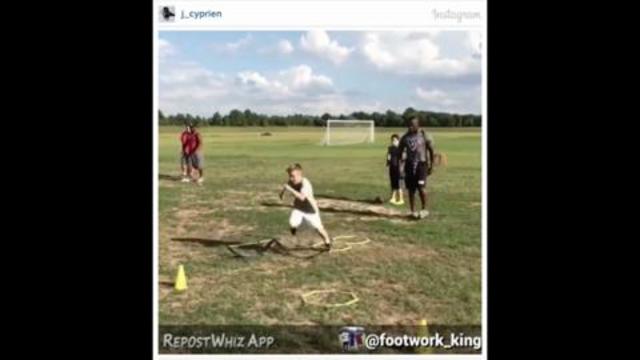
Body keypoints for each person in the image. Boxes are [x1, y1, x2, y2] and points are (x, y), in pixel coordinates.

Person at [279, 163, 332, 249]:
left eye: (293, 176)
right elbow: (287, 185)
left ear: (300, 174)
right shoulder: (292, 181)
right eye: (289, 176)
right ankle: (294, 228)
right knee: (292, 222)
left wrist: (289, 189)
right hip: (298, 208)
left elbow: (302, 197)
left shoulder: (305, 184)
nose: (291, 178)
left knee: (318, 228)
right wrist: (281, 193)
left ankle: (327, 242)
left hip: (310, 209)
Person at [398, 118, 434, 219]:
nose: (410, 127)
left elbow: (431, 150)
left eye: (412, 125)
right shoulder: (405, 138)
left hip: (421, 165)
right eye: (409, 125)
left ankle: (424, 209)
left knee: (421, 188)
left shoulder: (424, 136)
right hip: (409, 166)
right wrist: (400, 166)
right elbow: (400, 152)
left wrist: (431, 165)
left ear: (418, 125)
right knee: (411, 190)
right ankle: (412, 211)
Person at [386, 134, 405, 205]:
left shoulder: (400, 149)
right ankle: (393, 198)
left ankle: (401, 199)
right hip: (392, 167)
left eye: (395, 140)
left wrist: (401, 168)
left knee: (399, 184)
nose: (393, 142)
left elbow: (403, 159)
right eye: (392, 140)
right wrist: (388, 162)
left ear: (398, 141)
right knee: (393, 183)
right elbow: (389, 156)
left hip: (399, 168)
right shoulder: (390, 148)